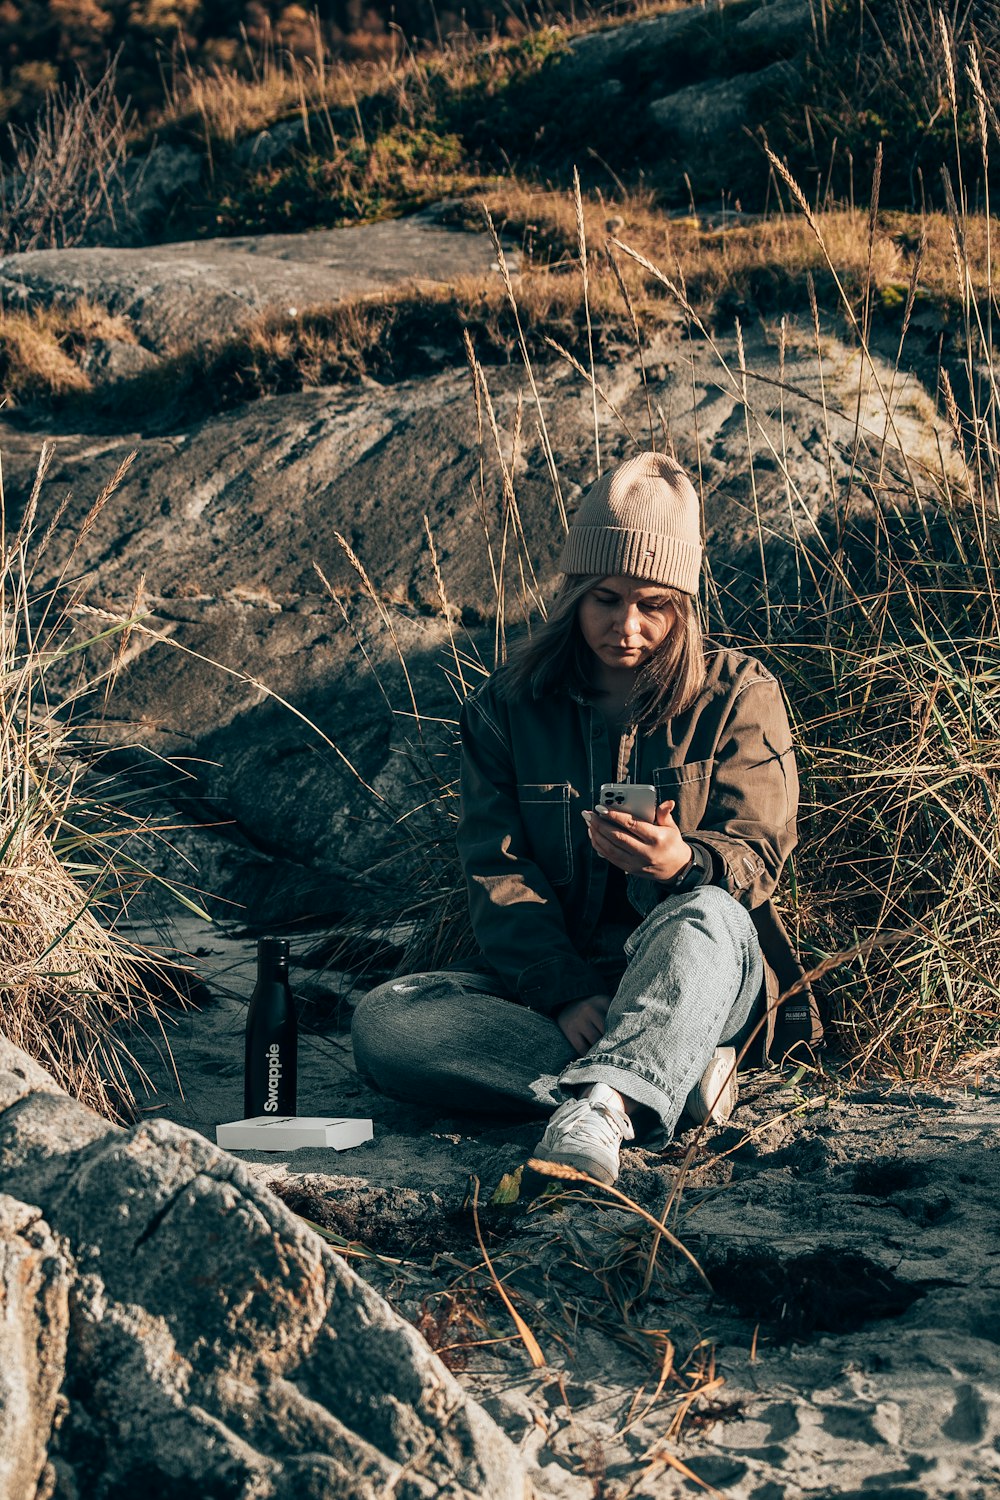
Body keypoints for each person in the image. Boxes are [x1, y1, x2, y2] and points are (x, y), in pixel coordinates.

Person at [352, 452, 821, 1185]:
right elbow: (497, 868)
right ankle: (660, 1079)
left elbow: (759, 852)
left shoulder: (739, 695)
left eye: (653, 604)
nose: (626, 626)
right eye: (605, 599)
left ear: (684, 605)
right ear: (574, 595)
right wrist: (564, 988)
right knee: (388, 1020)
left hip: (702, 973)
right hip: (566, 996)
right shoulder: (509, 706)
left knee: (705, 913)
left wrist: (679, 861)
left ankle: (602, 1104)